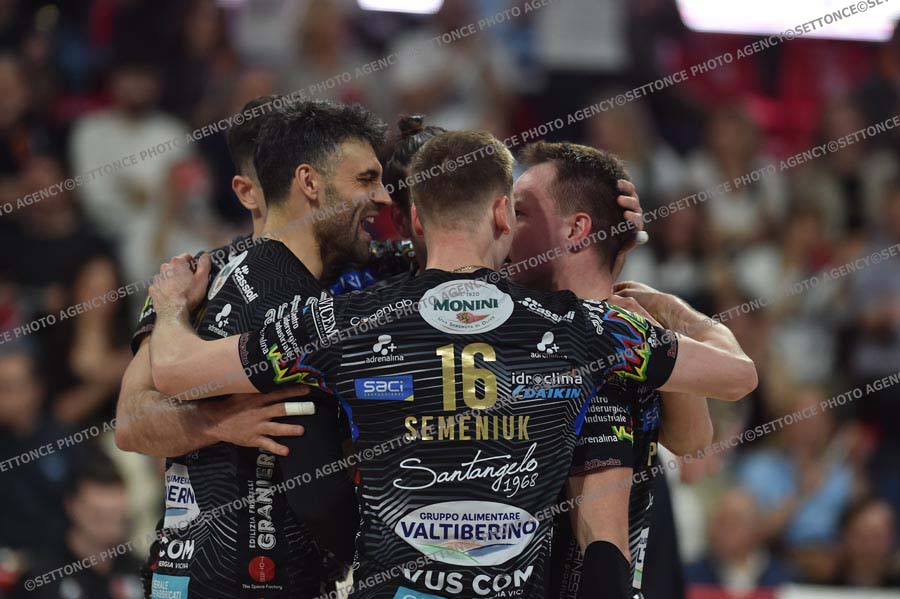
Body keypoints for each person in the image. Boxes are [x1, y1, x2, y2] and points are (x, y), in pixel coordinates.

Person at [146, 129, 757, 599]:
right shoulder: (588, 327)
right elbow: (738, 375)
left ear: (414, 220)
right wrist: (673, 311)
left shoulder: (345, 318)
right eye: (517, 210)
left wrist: (171, 308)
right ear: (500, 215)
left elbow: (174, 371)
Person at [117, 98, 387, 599]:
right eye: (365, 179)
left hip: (232, 570)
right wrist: (217, 421)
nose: (382, 197)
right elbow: (130, 424)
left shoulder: (359, 271)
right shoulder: (190, 279)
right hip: (240, 573)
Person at [507, 141, 727, 599]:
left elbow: (692, 438)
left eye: (521, 212)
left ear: (576, 228)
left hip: (619, 552)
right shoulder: (501, 314)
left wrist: (660, 314)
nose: (505, 225)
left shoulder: (631, 326)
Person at [12, 451, 144, 599]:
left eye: (116, 514)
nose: (108, 525)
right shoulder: (42, 578)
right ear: (72, 506)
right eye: (99, 515)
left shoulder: (143, 573)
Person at [685, 488, 793, 593]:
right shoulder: (689, 577)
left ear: (756, 528)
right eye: (720, 521)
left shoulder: (783, 581)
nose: (723, 531)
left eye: (734, 523)